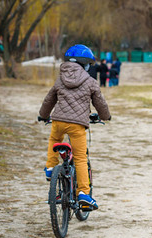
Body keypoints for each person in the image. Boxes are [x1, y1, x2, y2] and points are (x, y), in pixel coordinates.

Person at [39, 44, 111, 210]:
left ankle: (50, 168)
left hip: (58, 121)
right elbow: (100, 103)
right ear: (85, 65)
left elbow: (48, 100)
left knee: (54, 140)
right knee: (79, 158)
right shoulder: (91, 82)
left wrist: (43, 115)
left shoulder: (60, 80)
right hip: (77, 125)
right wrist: (106, 116)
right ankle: (84, 194)